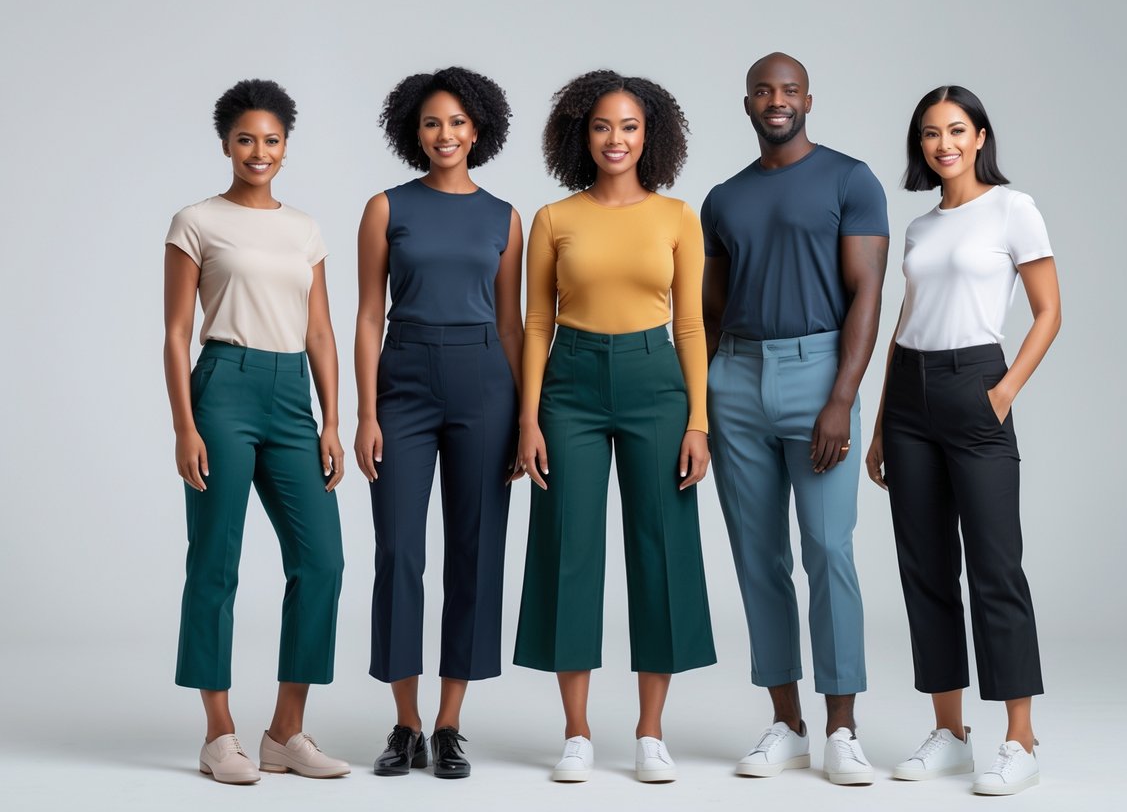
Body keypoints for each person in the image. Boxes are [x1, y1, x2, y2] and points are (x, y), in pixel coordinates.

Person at [514, 70, 716, 784]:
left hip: (654, 381)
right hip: (567, 382)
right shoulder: (552, 219)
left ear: (649, 135)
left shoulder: (676, 217)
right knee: (567, 544)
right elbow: (535, 322)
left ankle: (650, 731)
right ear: (581, 134)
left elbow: (689, 325)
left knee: (661, 546)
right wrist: (528, 416)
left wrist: (697, 420)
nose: (615, 139)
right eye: (602, 126)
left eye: (628, 126)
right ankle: (575, 731)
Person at [865, 85, 1061, 796]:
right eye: (928, 134)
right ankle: (948, 733)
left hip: (975, 379)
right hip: (910, 396)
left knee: (994, 566)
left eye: (954, 130)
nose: (941, 144)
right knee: (924, 567)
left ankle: (1019, 738)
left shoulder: (1013, 209)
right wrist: (883, 421)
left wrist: (1002, 392)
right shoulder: (918, 228)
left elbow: (1047, 312)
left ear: (979, 136)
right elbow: (902, 324)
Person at [700, 52, 888, 784]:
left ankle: (842, 725)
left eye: (788, 90)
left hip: (819, 373)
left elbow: (866, 291)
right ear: (746, 102)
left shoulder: (850, 179)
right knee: (757, 557)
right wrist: (704, 393)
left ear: (808, 98)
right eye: (762, 91)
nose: (776, 101)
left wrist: (841, 395)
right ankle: (785, 720)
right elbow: (712, 306)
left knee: (827, 549)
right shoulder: (722, 198)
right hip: (736, 378)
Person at [163, 79, 348, 784]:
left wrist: (333, 420)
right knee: (215, 560)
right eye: (246, 139)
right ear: (225, 144)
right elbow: (178, 332)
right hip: (223, 388)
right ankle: (218, 735)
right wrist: (184, 425)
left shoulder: (304, 229)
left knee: (322, 562)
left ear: (285, 146)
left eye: (271, 140)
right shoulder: (196, 221)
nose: (258, 151)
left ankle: (285, 733)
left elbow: (322, 331)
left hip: (291, 396)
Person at [353, 67, 523, 780]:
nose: (444, 134)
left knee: (475, 551)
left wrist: (525, 417)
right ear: (412, 132)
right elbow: (366, 315)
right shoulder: (386, 207)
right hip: (406, 380)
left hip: (486, 379)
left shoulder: (504, 217)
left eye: (456, 122)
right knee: (398, 551)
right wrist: (364, 411)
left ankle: (450, 723)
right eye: (431, 123)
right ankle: (405, 723)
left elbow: (513, 325)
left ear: (478, 130)